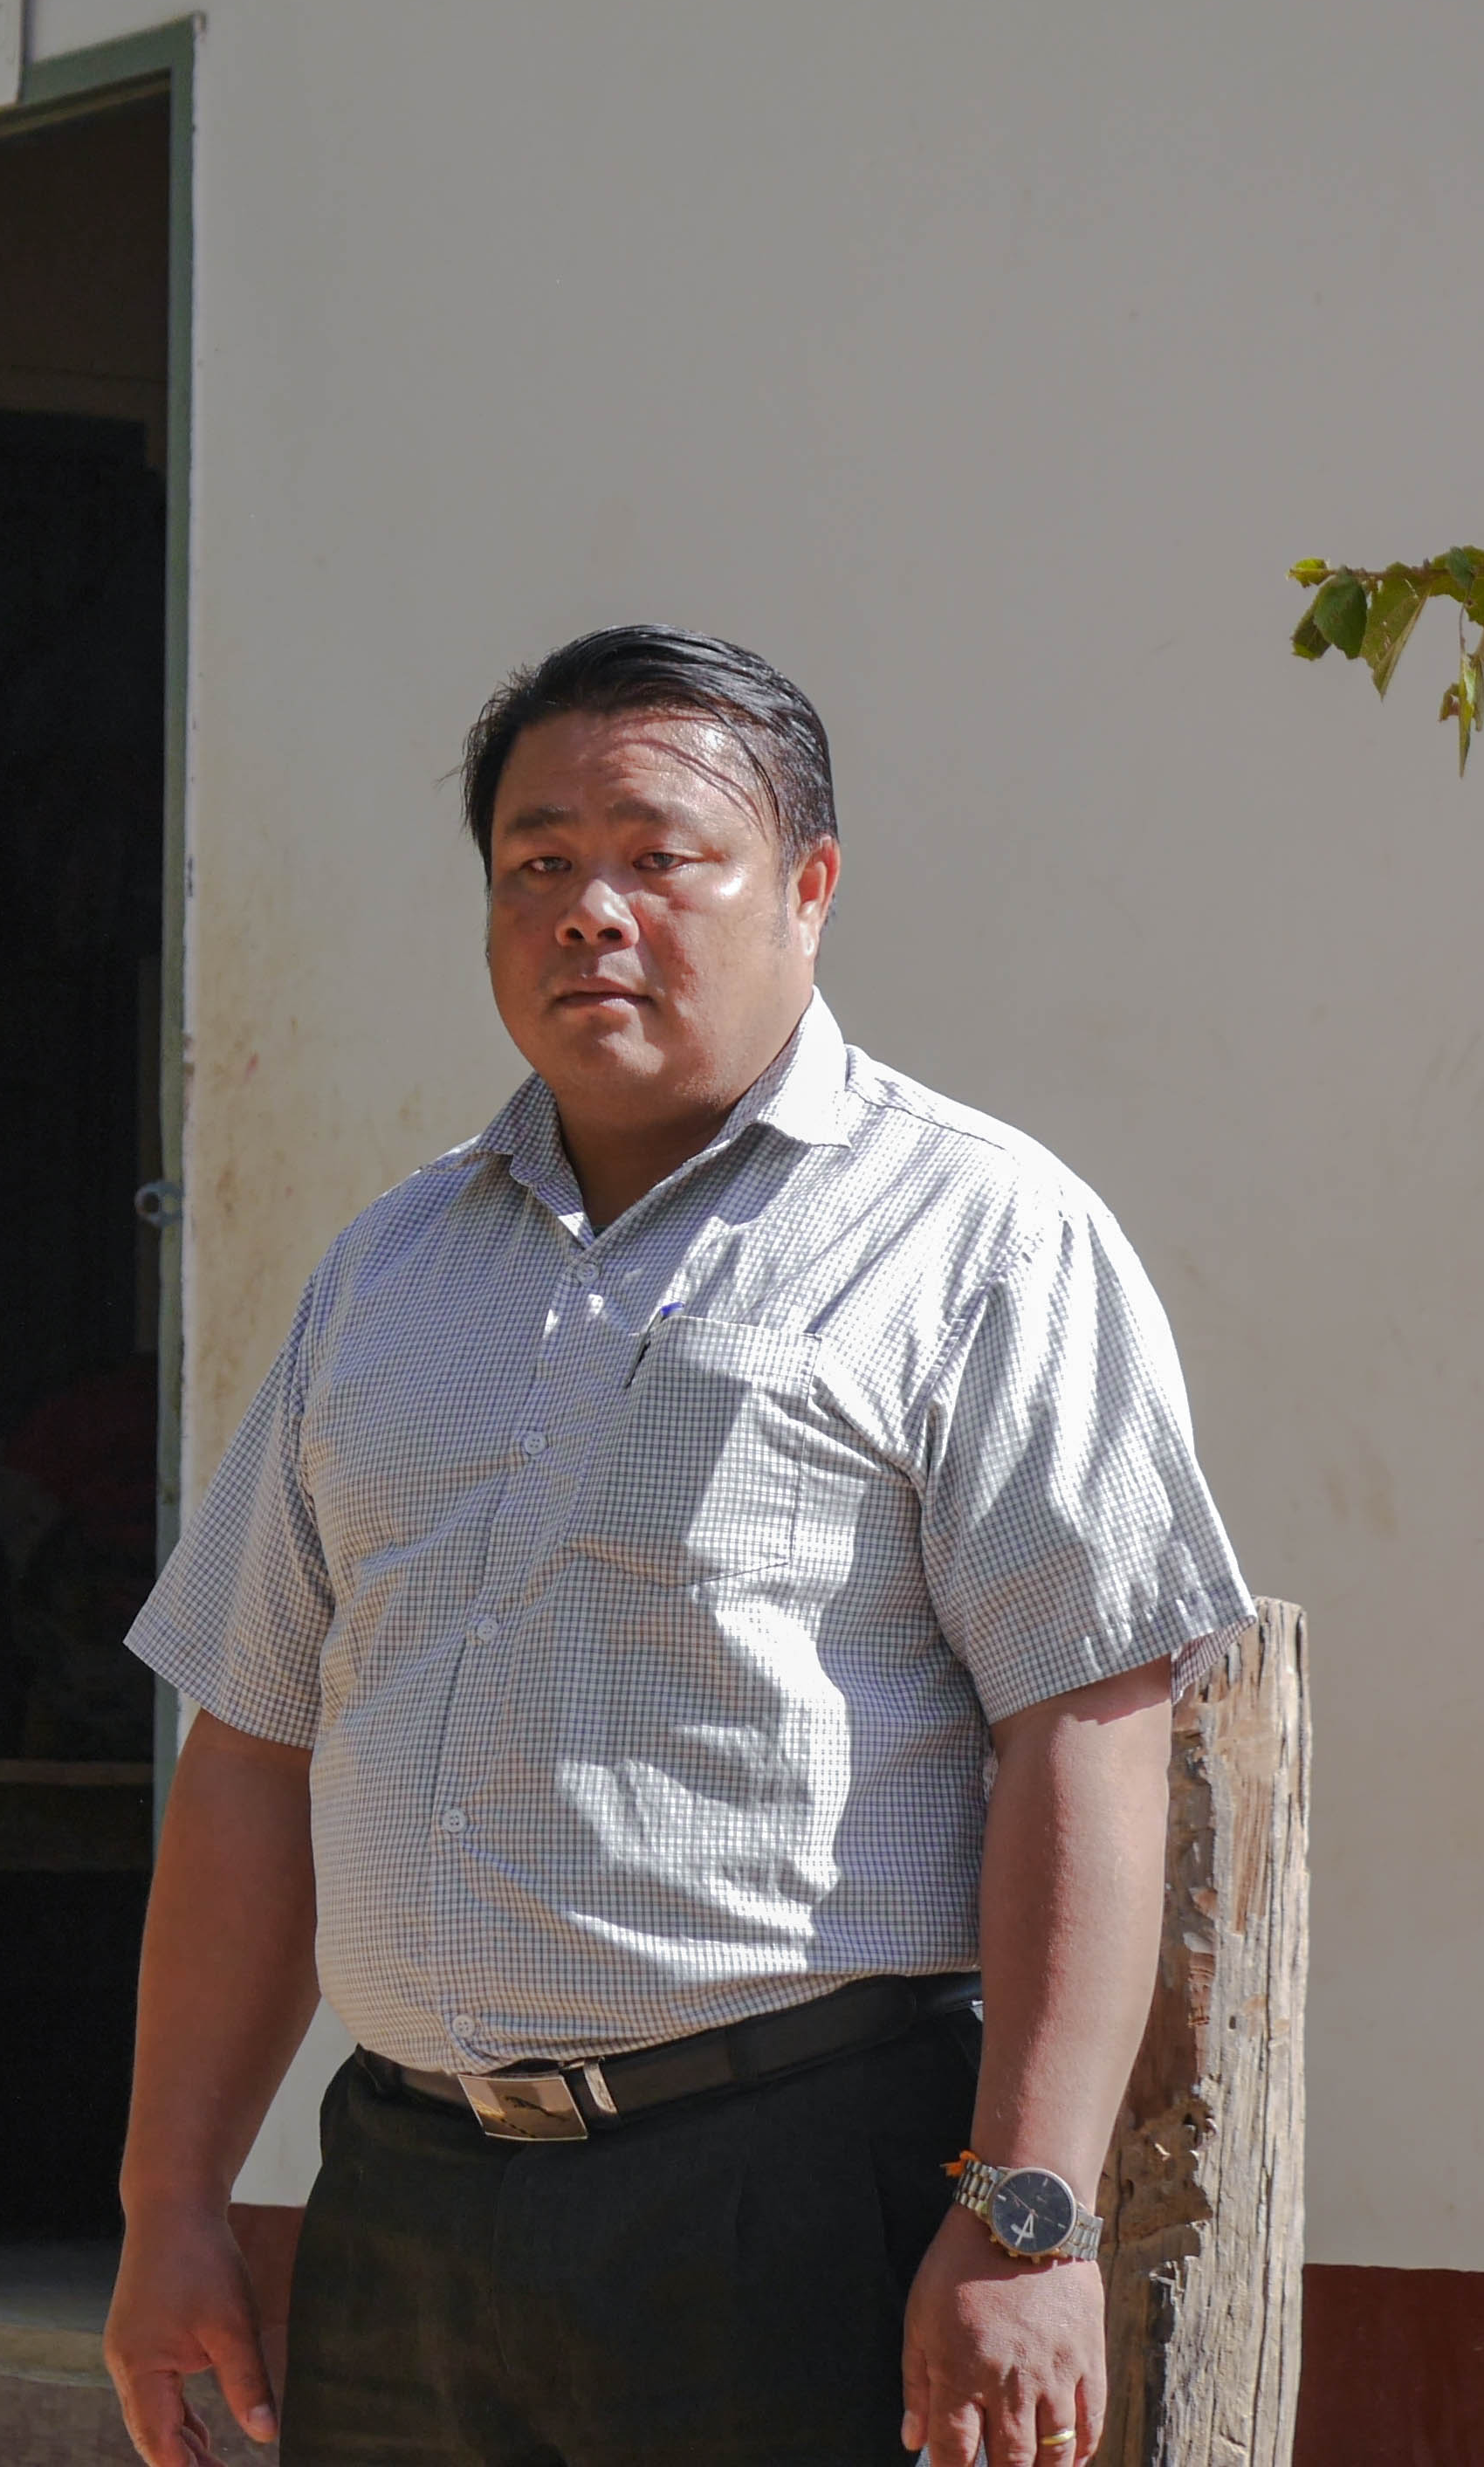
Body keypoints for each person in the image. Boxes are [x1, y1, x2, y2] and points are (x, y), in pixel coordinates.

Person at [104, 629, 1250, 2467]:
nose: (589, 912)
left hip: (783, 2196)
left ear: (809, 888)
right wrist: (174, 2202)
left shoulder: (974, 1234)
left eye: (657, 856)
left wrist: (1028, 2213)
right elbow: (254, 1748)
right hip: (407, 2198)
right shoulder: (387, 1274)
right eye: (538, 863)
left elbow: (1087, 1730)